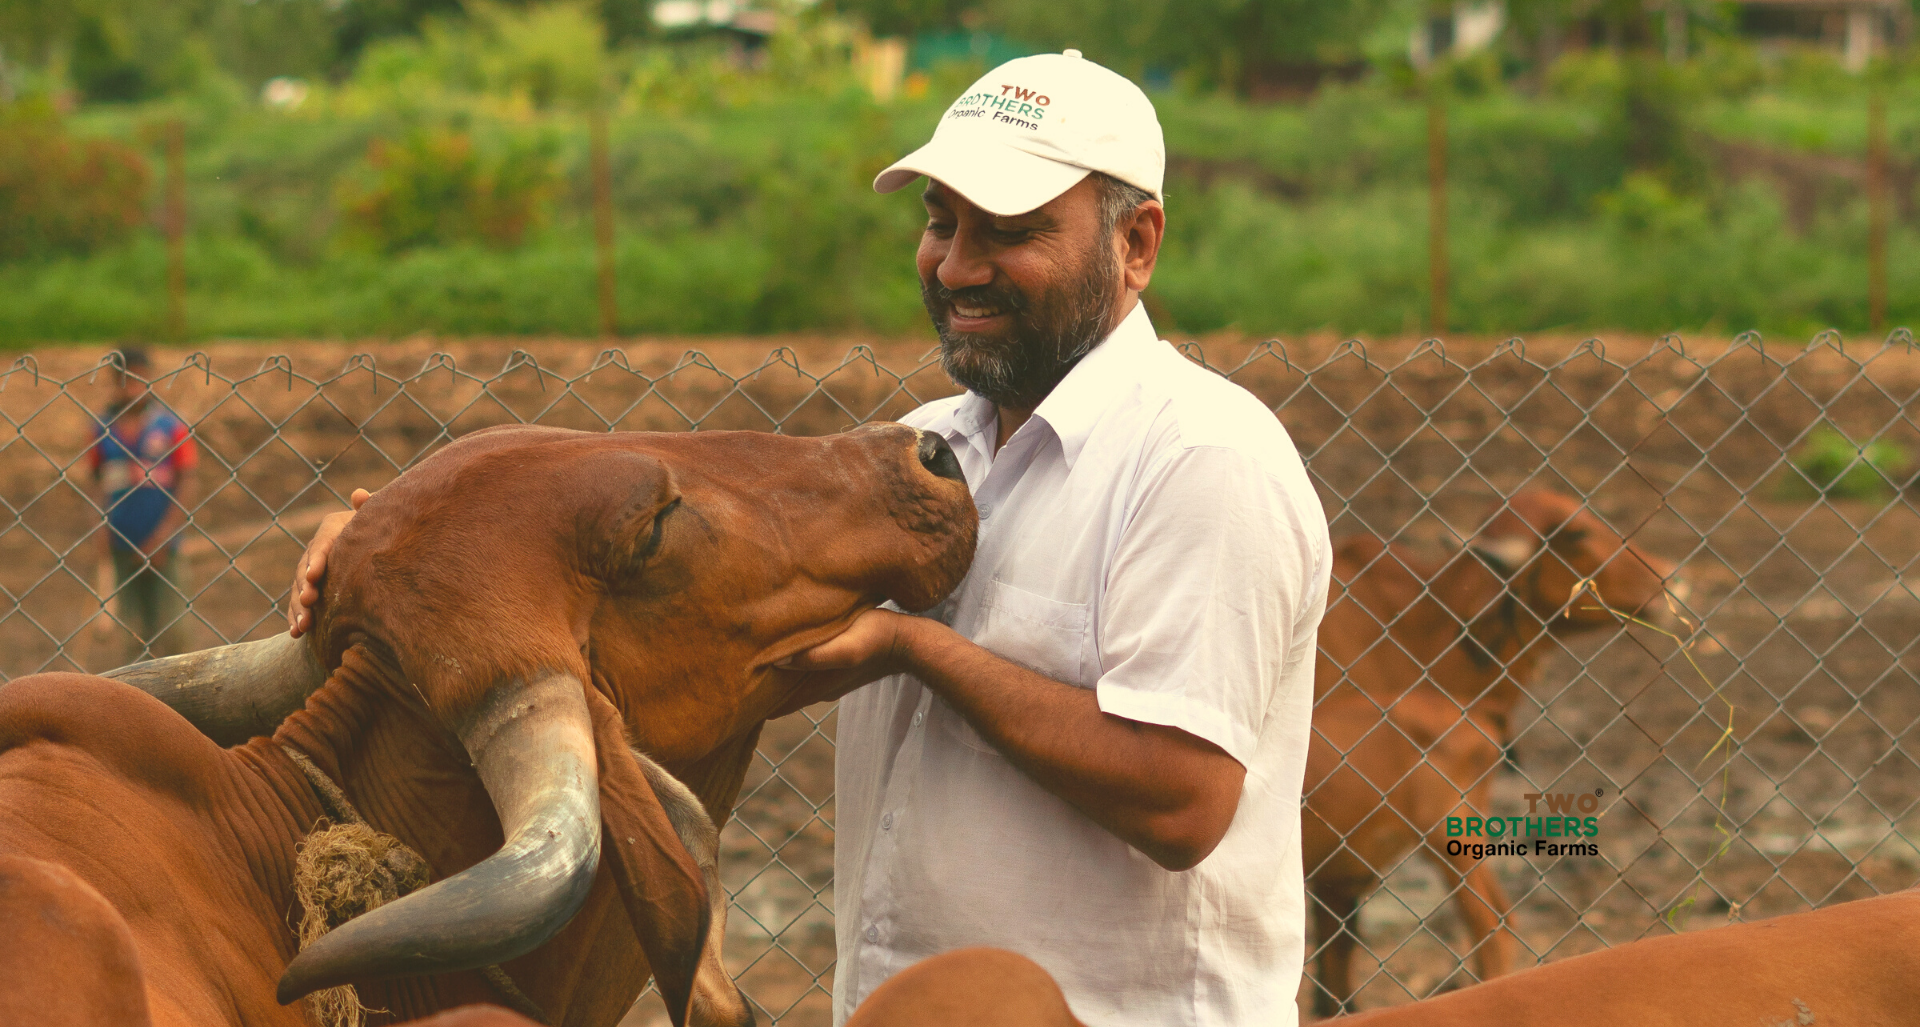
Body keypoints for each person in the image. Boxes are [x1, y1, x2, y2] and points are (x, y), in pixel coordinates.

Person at [290, 51, 1330, 1027]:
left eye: (1008, 232)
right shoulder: (930, 446)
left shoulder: (1201, 460)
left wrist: (912, 648)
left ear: (1136, 244)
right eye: (940, 222)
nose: (957, 266)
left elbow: (1185, 800)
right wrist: (402, 545)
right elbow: (668, 569)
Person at [90, 347, 198, 662]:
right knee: (132, 634)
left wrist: (164, 535)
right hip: (120, 544)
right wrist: (98, 528)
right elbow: (93, 483)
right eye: (125, 381)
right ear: (115, 382)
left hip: (166, 546)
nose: (133, 388)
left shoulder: (171, 427)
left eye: (140, 380)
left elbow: (188, 481)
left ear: (150, 380)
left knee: (175, 630)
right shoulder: (102, 431)